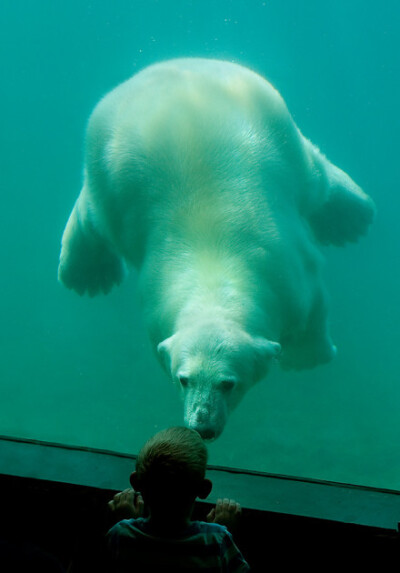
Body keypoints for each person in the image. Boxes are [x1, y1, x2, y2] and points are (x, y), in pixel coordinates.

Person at [105, 426, 250, 571]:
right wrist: (226, 529)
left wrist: (125, 523)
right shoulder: (218, 540)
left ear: (136, 482)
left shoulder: (120, 535)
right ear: (204, 489)